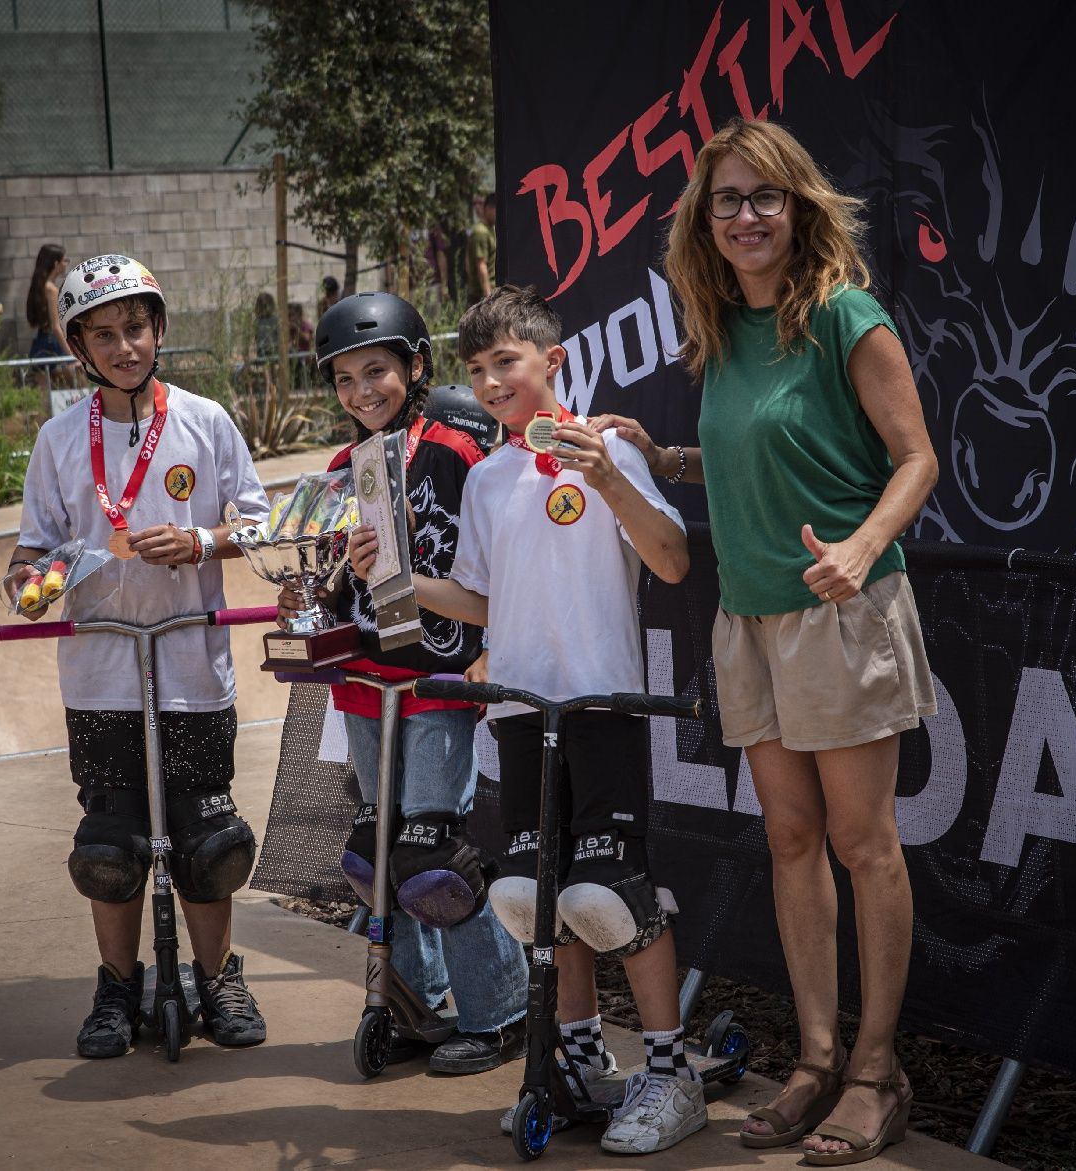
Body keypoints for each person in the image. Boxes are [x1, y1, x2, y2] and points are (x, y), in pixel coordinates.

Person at [594, 118, 938, 1165]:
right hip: (743, 615)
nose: (743, 216)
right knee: (788, 843)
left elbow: (915, 458)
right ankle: (816, 1057)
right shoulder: (720, 325)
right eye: (725, 200)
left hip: (844, 611)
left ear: (798, 208)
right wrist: (662, 456)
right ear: (703, 219)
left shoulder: (846, 315)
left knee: (859, 842)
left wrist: (859, 546)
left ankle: (878, 1070)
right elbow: (759, 457)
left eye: (763, 197)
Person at [389, 285, 703, 1156]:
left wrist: (605, 475)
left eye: (508, 363)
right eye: (479, 369)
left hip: (602, 702)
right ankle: (574, 1060)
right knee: (535, 899)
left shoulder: (609, 450)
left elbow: (673, 561)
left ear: (552, 362)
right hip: (521, 712)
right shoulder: (488, 479)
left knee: (611, 896)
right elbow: (484, 604)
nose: (492, 382)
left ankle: (670, 1074)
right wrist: (399, 575)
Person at [5, 253, 272, 1059]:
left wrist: (200, 540)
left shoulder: (206, 420)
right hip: (101, 675)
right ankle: (117, 985)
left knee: (208, 841)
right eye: (105, 335)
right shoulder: (57, 440)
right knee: (111, 847)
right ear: (80, 349)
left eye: (136, 328)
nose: (125, 346)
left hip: (191, 670)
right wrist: (34, 580)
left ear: (159, 329)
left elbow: (259, 525)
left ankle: (218, 976)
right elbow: (29, 553)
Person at [277, 291, 528, 1074]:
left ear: (416, 367)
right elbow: (337, 588)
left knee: (430, 857)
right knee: (376, 853)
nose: (362, 392)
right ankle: (416, 1004)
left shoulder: (454, 451)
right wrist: (314, 592)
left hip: (436, 682)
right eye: (346, 379)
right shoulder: (339, 468)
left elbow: (491, 565)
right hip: (363, 682)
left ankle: (499, 1009)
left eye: (377, 371)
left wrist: (488, 648)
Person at [25, 243, 73, 385]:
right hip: (53, 343)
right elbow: (56, 327)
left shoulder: (39, 286)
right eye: (65, 260)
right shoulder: (51, 290)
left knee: (47, 397)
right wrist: (71, 355)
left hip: (41, 342)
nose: (66, 264)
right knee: (74, 390)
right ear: (56, 263)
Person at [466, 193, 497, 302]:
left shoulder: (489, 230)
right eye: (496, 211)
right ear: (488, 209)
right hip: (481, 296)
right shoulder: (481, 232)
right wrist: (488, 298)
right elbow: (481, 265)